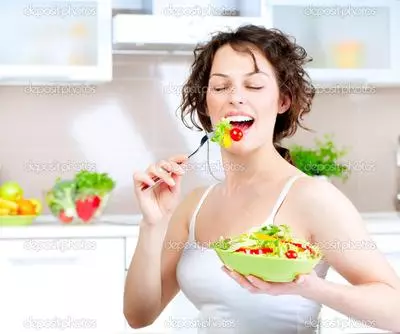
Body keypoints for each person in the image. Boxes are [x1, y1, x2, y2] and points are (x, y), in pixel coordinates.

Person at [123, 25, 400, 334]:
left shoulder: (312, 198)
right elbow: (139, 315)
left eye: (254, 86)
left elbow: (395, 311)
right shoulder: (194, 204)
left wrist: (309, 288)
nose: (235, 98)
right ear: (205, 105)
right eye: (219, 87)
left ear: (283, 100)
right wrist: (151, 226)